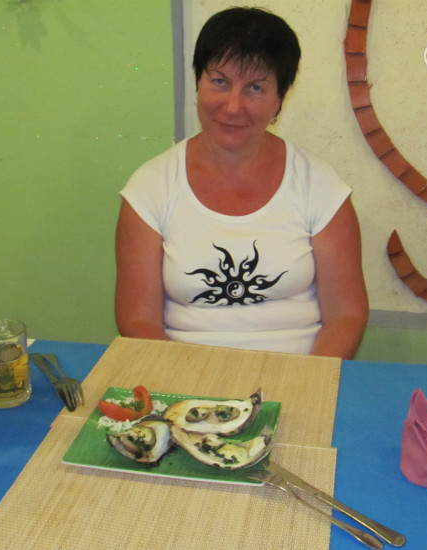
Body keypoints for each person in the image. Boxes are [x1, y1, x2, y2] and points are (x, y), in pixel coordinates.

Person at [115, 7, 368, 359]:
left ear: (280, 99)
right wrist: (194, 385)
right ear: (198, 83)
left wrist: (305, 381)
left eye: (255, 88)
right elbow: (138, 321)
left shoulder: (320, 186)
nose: (233, 107)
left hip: (300, 372)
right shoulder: (150, 187)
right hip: (183, 377)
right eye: (220, 82)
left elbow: (346, 316)